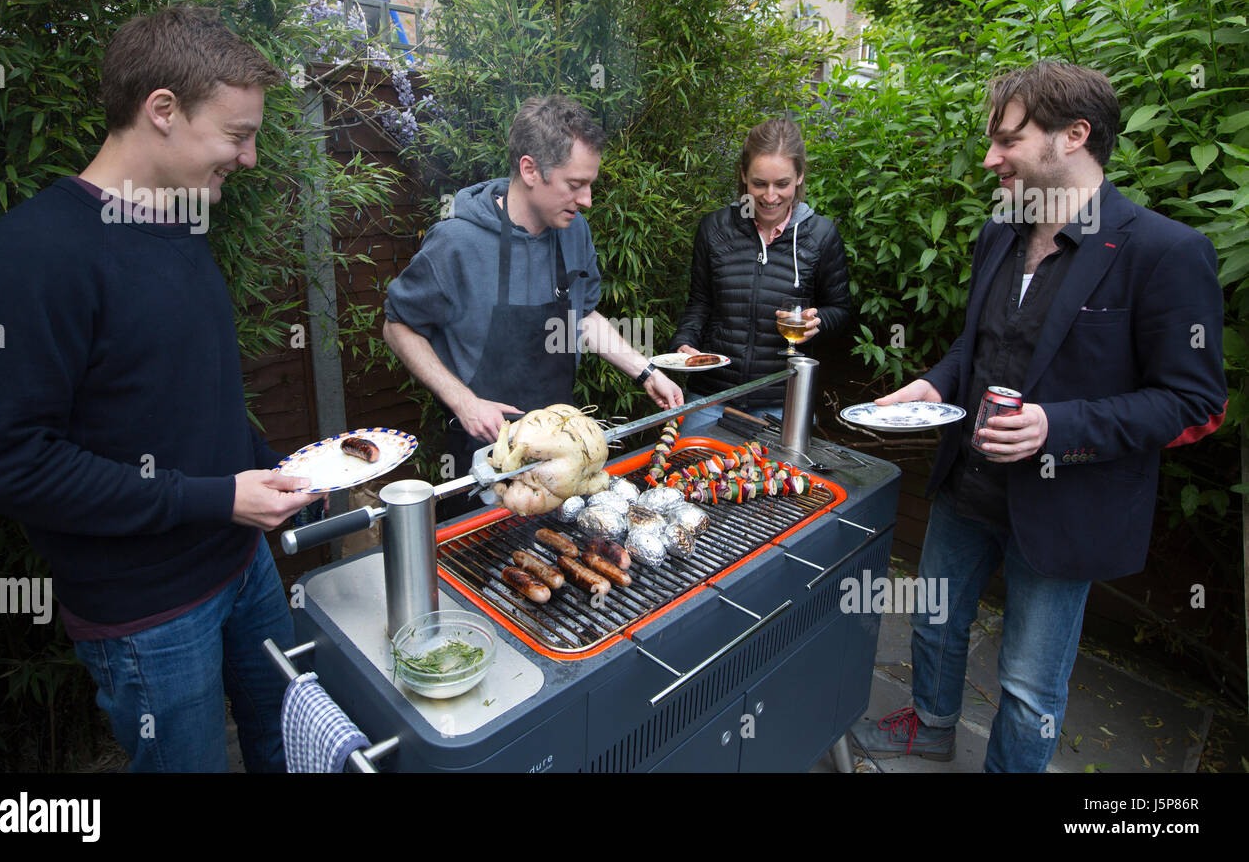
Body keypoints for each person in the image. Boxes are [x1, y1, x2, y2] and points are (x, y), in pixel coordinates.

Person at [0, 6, 323, 772]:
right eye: (238, 134)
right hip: (147, 616)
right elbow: (3, 463)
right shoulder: (33, 259)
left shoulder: (182, 227)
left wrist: (275, 468)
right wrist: (214, 498)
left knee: (291, 748)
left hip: (243, 569)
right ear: (162, 110)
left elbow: (192, 398)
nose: (249, 159)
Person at [855, 61, 1226, 772]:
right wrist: (933, 387)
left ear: (1074, 136)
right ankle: (931, 726)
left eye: (1008, 140)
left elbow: (1194, 402)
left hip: (1066, 503)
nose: (990, 157)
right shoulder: (1000, 232)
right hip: (967, 484)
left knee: (1028, 684)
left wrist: (1059, 427)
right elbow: (978, 345)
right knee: (933, 623)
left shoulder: (1164, 253)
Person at [382, 95, 683, 490]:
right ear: (530, 169)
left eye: (589, 185)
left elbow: (583, 317)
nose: (587, 201)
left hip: (562, 454)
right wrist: (464, 401)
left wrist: (645, 371)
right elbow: (397, 328)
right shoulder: (457, 243)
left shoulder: (574, 231)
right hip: (482, 456)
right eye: (575, 185)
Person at [669, 116, 852, 433]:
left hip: (784, 403)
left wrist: (817, 321)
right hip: (712, 396)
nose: (770, 196)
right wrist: (684, 344)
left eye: (782, 184)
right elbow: (699, 304)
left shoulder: (821, 236)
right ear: (742, 175)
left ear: (799, 177)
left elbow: (841, 310)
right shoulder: (714, 229)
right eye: (759, 183)